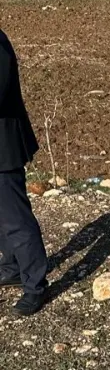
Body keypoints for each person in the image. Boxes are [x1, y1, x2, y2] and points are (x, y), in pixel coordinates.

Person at [0, 28, 49, 317]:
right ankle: (12, 268)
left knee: (16, 220)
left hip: (3, 148)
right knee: (2, 218)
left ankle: (35, 286)